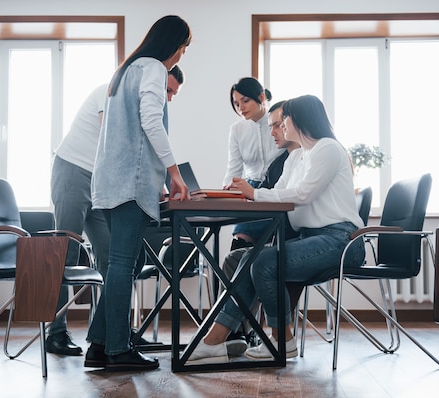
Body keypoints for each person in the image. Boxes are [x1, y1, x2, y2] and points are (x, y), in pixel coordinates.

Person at [186, 94, 366, 365]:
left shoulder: (328, 148)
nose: (281, 126)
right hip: (313, 240)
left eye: (285, 120)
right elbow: (278, 193)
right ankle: (216, 339)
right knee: (250, 258)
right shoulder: (296, 158)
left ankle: (281, 340)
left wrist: (255, 194)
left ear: (301, 120)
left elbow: (302, 195)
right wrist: (246, 194)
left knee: (264, 261)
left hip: (341, 241)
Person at [47, 66, 185, 356]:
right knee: (65, 253)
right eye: (168, 90)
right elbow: (114, 142)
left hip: (102, 180)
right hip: (74, 169)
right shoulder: (109, 93)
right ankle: (56, 333)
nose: (168, 98)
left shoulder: (137, 106)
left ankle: (113, 332)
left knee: (117, 258)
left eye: (173, 94)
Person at [85, 15, 192, 372]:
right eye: (183, 47)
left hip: (112, 181)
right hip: (128, 185)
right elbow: (150, 121)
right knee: (122, 264)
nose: (181, 55)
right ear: (172, 44)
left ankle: (99, 346)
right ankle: (117, 350)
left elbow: (128, 135)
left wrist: (157, 177)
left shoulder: (125, 71)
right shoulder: (153, 69)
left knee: (125, 264)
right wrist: (174, 173)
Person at [221, 100, 301, 355]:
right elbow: (276, 194)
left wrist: (254, 194)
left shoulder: (310, 156)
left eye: (279, 125)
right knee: (234, 259)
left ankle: (242, 333)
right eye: (272, 126)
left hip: (295, 233)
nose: (274, 132)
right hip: (281, 227)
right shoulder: (285, 161)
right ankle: (238, 331)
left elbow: (295, 198)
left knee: (254, 259)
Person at [222, 77, 285, 250]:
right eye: (236, 104)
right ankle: (233, 274)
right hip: (250, 189)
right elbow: (233, 167)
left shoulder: (280, 123)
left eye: (245, 101)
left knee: (261, 243)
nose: (240, 108)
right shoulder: (237, 129)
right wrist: (226, 191)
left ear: (262, 97)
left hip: (277, 188)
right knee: (240, 242)